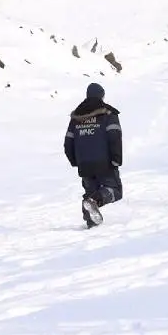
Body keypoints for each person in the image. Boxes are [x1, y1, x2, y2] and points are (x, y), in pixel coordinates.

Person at [64, 82, 123, 228]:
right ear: (102, 96)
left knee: (90, 192)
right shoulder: (108, 113)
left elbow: (68, 143)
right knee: (114, 190)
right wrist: (116, 159)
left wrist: (76, 161)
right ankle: (94, 201)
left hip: (84, 164)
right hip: (105, 163)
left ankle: (91, 222)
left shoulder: (76, 117)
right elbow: (114, 137)